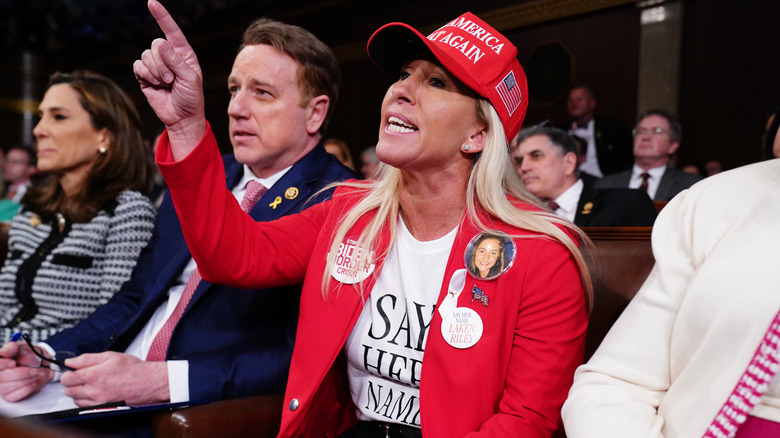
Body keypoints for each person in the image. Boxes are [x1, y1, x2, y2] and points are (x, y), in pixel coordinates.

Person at [135, 2, 592, 437]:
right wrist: (187, 127)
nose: (401, 90)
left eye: (435, 82)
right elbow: (233, 258)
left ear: (478, 133)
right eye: (403, 74)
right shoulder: (348, 212)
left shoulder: (542, 255)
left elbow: (527, 420)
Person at [0, 17, 354, 415]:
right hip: (102, 382)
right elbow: (134, 297)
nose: (236, 108)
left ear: (315, 113)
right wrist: (48, 356)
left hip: (185, 407)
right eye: (235, 89)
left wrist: (164, 381)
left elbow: (304, 359)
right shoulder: (200, 172)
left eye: (262, 93)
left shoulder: (341, 201)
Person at [562, 129, 780, 437]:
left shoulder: (682, 185)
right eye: (641, 131)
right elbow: (615, 386)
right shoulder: (713, 202)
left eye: (658, 131)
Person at [0, 71, 156, 344]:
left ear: (103, 137)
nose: (39, 130)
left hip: (56, 366)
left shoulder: (128, 211)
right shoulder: (33, 208)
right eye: (41, 116)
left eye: (58, 116)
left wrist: (40, 355)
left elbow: (113, 322)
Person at [513, 126, 656, 227]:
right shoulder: (515, 214)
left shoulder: (627, 203)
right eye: (519, 161)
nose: (524, 168)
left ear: (569, 162)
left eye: (536, 156)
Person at [596, 109, 702, 202]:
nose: (646, 137)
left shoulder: (691, 186)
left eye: (657, 131)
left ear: (673, 145)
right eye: (641, 131)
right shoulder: (604, 185)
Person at [565, 85, 633, 177]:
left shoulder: (612, 128)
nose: (574, 104)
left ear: (592, 103)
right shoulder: (560, 130)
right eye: (571, 100)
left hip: (602, 182)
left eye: (579, 99)